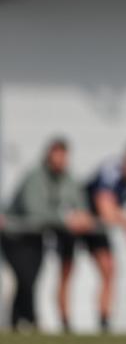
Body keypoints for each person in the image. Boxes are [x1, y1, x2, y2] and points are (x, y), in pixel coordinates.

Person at [59, 143, 126, 333]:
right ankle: (65, 321)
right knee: (67, 270)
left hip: (97, 227)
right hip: (79, 220)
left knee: (109, 269)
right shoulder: (111, 170)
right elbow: (106, 211)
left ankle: (104, 321)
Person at [1, 138, 91, 331]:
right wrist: (66, 220)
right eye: (56, 155)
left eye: (63, 155)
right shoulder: (34, 177)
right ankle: (30, 319)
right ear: (48, 156)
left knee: (31, 279)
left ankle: (18, 322)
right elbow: (35, 212)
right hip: (15, 235)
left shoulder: (69, 179)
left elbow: (79, 204)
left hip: (36, 238)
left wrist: (82, 216)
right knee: (24, 278)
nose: (60, 160)